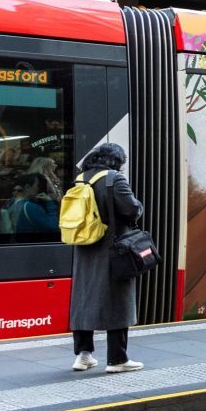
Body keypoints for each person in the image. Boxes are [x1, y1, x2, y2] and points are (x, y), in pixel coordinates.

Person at [68, 143, 146, 373]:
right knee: (119, 302)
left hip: (85, 248)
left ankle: (83, 356)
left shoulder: (81, 179)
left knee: (83, 301)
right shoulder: (114, 179)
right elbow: (131, 209)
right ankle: (117, 359)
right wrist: (139, 207)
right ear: (116, 161)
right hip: (113, 249)